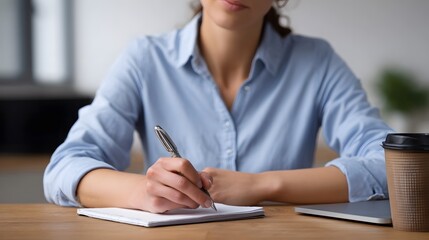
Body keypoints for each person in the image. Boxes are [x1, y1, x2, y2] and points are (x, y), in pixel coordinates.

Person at [44, 0, 392, 213]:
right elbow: (65, 168)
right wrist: (145, 191)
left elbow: (392, 165)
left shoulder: (317, 62)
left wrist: (262, 185)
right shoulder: (144, 59)